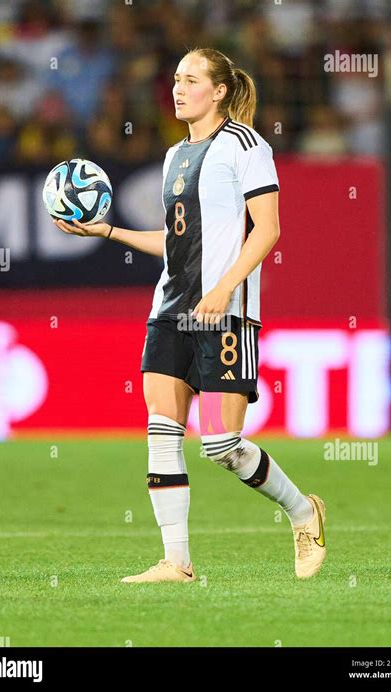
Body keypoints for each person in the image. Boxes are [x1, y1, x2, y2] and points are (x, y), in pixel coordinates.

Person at [54, 47, 327, 584]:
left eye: (192, 79)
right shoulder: (174, 155)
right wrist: (105, 231)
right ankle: (177, 563)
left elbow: (267, 229)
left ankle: (302, 512)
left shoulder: (247, 146)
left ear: (220, 90)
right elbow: (174, 241)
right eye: (175, 79)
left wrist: (225, 288)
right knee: (161, 430)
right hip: (170, 307)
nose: (179, 89)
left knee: (221, 445)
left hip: (225, 313)